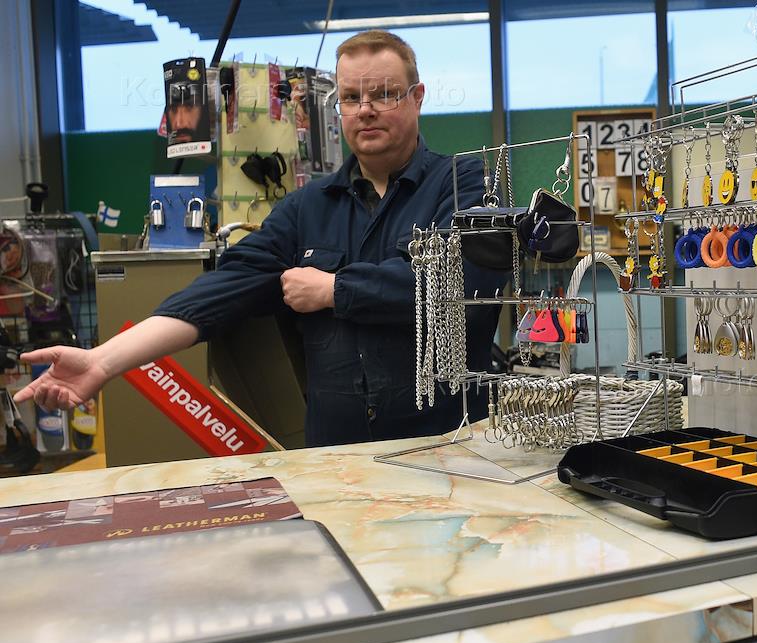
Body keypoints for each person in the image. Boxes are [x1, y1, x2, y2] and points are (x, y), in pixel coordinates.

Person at [16, 30, 506, 447]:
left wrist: (334, 290)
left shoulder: (466, 184)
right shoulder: (306, 209)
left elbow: (461, 285)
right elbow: (219, 293)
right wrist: (101, 361)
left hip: (450, 448)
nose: (365, 110)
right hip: (336, 458)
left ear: (417, 97)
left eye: (385, 94)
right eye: (351, 98)